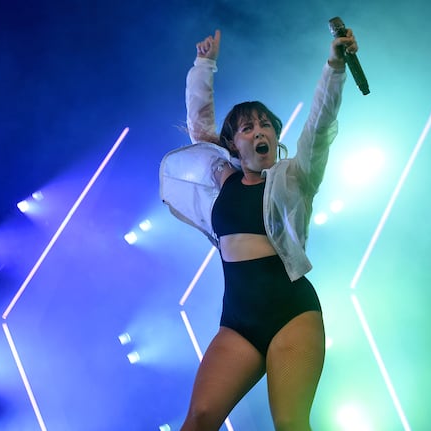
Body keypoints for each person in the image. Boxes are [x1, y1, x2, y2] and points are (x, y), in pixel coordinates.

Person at [160, 24, 359, 431]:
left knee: (289, 423)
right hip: (238, 320)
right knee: (198, 419)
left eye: (265, 124)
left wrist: (334, 67)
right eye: (247, 128)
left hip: (291, 311)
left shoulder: (294, 177)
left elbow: (319, 128)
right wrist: (204, 64)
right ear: (235, 145)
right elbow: (200, 129)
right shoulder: (224, 177)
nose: (259, 131)